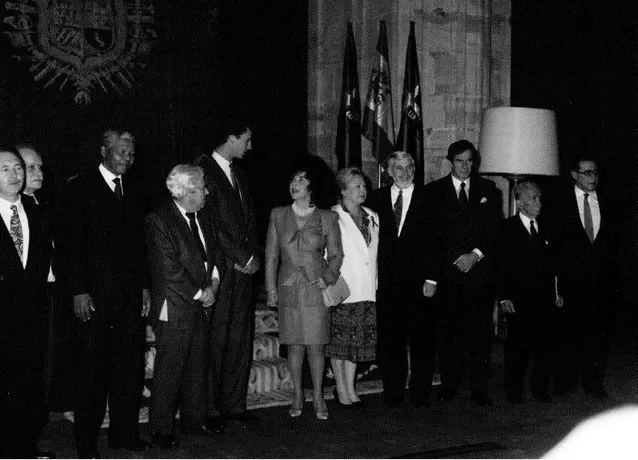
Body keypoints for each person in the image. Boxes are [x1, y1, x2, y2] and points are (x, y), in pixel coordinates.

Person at [61, 130, 150, 457]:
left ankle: (123, 434)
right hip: (94, 301)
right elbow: (70, 246)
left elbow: (140, 246)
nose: (127, 159)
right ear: (103, 151)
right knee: (92, 375)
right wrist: (78, 291)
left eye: (131, 153)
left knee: (129, 369)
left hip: (128, 299)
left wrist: (143, 286)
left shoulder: (136, 189)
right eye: (121, 152)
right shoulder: (80, 187)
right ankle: (86, 445)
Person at [145, 165, 224, 448]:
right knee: (170, 370)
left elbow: (214, 256)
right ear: (188, 190)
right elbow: (169, 269)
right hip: (176, 304)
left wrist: (213, 285)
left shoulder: (204, 216)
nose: (206, 192)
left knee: (197, 365)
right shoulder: (159, 220)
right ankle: (161, 429)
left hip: (201, 301)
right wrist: (200, 293)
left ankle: (194, 420)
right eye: (202, 187)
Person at [194, 114, 261, 431]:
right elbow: (210, 225)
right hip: (220, 269)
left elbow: (250, 223)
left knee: (239, 340)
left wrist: (252, 257)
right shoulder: (202, 171)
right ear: (231, 138)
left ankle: (234, 405)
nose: (250, 145)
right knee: (215, 339)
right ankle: (208, 410)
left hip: (243, 271)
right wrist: (240, 257)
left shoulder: (240, 174)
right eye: (246, 139)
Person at [265, 158, 344, 420]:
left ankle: (319, 395)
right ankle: (297, 393)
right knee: (294, 344)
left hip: (315, 287)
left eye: (302, 179)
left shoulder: (328, 217)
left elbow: (336, 255)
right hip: (288, 287)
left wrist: (328, 277)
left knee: (316, 345)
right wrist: (270, 289)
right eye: (292, 179)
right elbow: (271, 256)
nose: (295, 184)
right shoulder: (278, 214)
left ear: (313, 185)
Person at [425, 140, 501, 407]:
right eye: (459, 161)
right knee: (449, 336)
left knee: (480, 336)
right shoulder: (433, 192)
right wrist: (442, 270)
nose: (465, 166)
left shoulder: (488, 190)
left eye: (469, 160)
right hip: (449, 276)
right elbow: (431, 238)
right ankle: (449, 386)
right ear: (450, 161)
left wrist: (475, 255)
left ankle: (480, 390)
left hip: (479, 275)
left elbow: (494, 232)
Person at [368, 151, 440, 409]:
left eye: (409, 167)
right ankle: (393, 392)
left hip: (420, 283)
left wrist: (432, 278)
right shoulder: (375, 199)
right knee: (390, 340)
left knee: (421, 339)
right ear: (388, 171)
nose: (405, 172)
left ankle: (421, 392)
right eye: (398, 168)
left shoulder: (429, 197)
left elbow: (436, 242)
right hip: (387, 284)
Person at [548, 157, 619, 399]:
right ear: (574, 175)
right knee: (567, 334)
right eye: (587, 173)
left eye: (595, 173)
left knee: (598, 335)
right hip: (571, 282)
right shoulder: (559, 202)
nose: (592, 177)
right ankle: (564, 382)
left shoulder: (609, 202)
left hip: (601, 284)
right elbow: (554, 244)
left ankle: (593, 383)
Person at [0, 148, 55, 459]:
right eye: (5, 168)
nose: (15, 174)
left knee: (29, 387)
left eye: (18, 168)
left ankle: (24, 448)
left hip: (31, 315)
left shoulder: (39, 213)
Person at [498, 181, 563, 404]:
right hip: (517, 299)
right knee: (517, 348)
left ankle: (540, 389)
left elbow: (555, 264)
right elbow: (501, 266)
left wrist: (557, 292)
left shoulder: (547, 227)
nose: (539, 203)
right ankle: (513, 391)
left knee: (544, 347)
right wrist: (504, 297)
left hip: (544, 298)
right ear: (519, 202)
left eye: (539, 198)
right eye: (534, 198)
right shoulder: (506, 228)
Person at [325, 167, 379, 407]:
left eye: (364, 185)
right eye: (356, 186)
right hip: (343, 287)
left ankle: (350, 388)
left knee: (357, 343)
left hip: (367, 288)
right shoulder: (331, 216)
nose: (363, 190)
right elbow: (326, 254)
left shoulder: (373, 216)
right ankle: (341, 388)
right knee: (340, 343)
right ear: (343, 190)